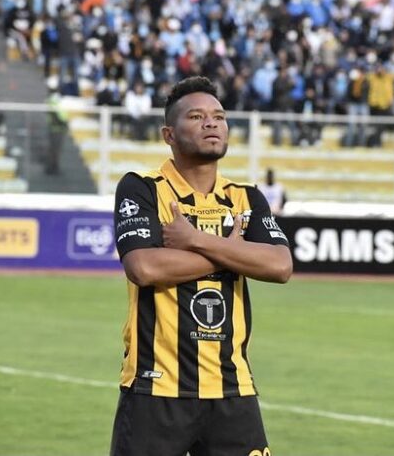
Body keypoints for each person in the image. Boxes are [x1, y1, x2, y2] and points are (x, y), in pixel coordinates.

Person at [110, 76, 293, 456]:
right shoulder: (142, 188)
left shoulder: (245, 197)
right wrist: (233, 252)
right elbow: (144, 268)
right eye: (196, 116)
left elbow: (279, 266)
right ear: (169, 134)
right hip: (155, 389)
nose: (211, 123)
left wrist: (194, 240)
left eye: (219, 116)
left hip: (233, 388)